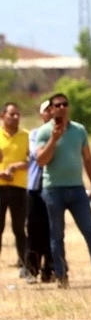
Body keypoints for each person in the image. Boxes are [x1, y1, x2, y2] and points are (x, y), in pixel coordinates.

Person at [35, 93, 91, 288]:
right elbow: (40, 161)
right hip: (53, 190)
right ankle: (62, 276)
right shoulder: (44, 132)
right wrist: (54, 140)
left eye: (64, 104)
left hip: (77, 189)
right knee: (57, 235)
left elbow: (87, 159)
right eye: (57, 105)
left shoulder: (79, 130)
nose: (61, 108)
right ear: (51, 109)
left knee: (90, 231)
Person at [25, 100, 55, 283]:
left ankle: (50, 269)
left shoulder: (65, 134)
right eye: (47, 111)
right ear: (41, 114)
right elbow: (38, 155)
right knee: (34, 229)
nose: (51, 113)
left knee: (53, 230)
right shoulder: (35, 134)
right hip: (36, 187)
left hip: (54, 187)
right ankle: (31, 270)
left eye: (53, 110)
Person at [0, 102, 30, 281]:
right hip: (0, 187)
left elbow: (34, 160)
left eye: (18, 114)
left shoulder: (26, 136)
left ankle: (25, 265)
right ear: (3, 116)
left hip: (19, 188)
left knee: (19, 228)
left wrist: (18, 165)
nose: (15, 117)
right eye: (12, 114)